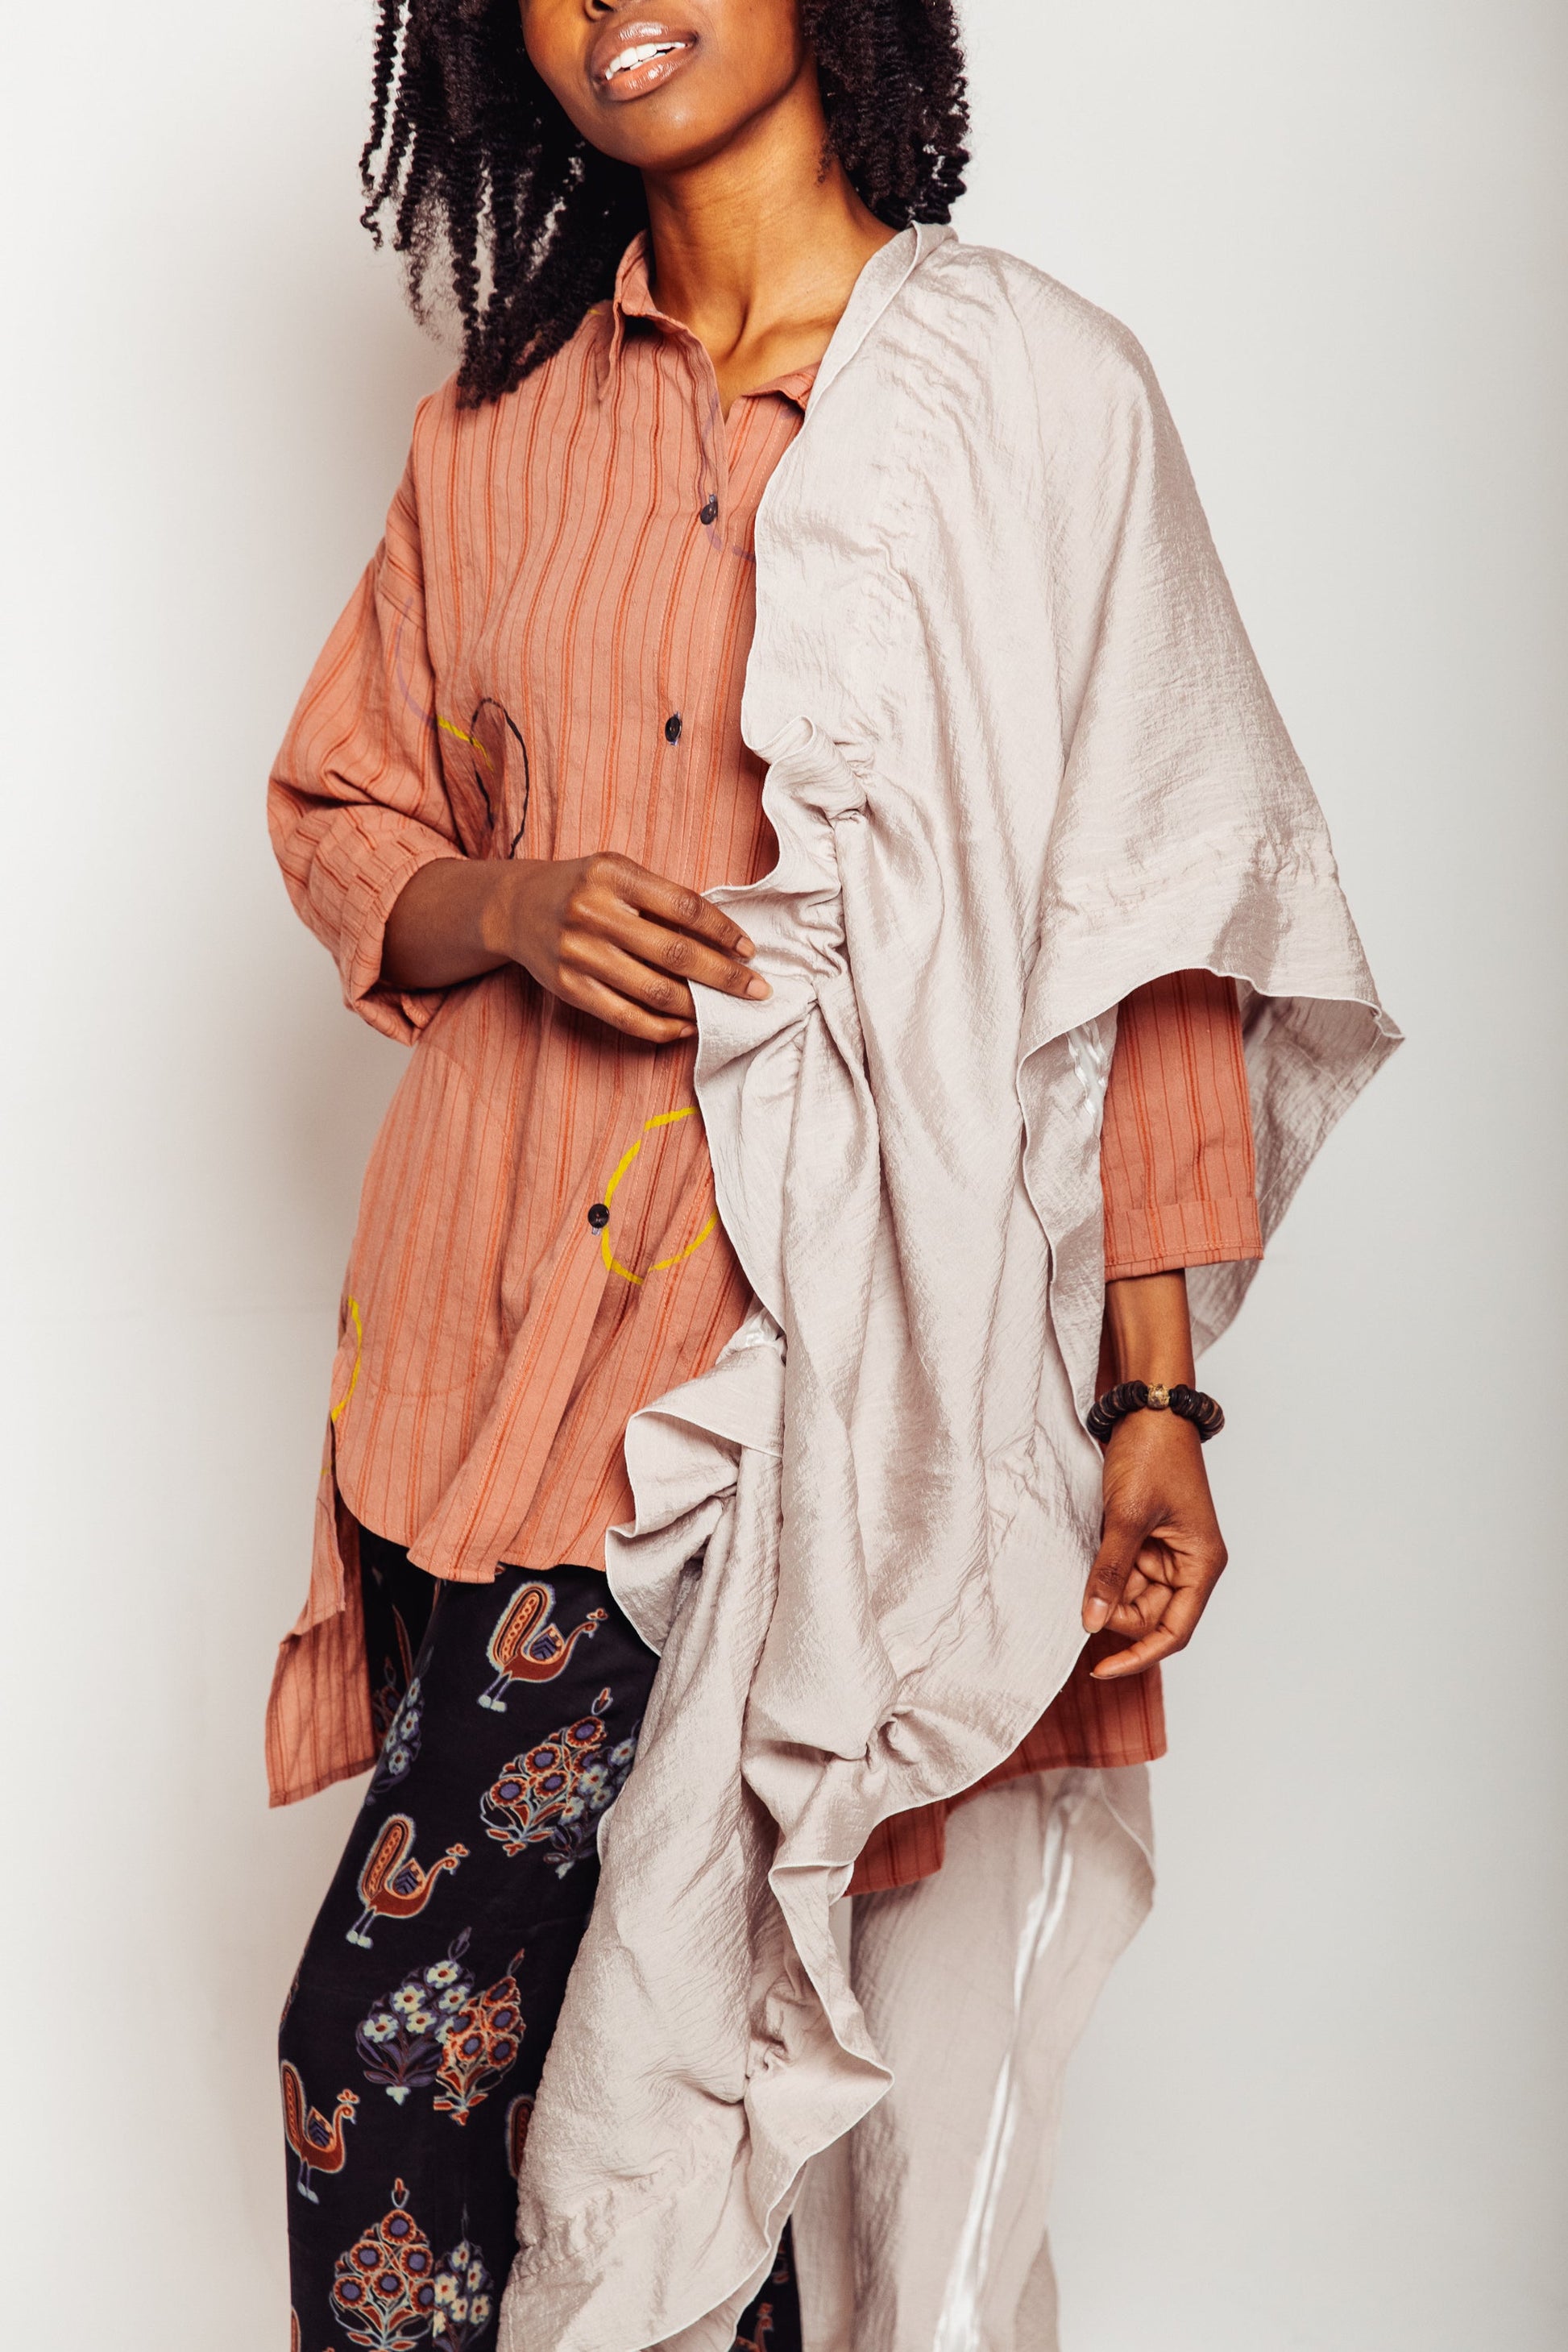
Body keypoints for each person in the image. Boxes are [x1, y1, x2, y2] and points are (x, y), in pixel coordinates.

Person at [267, 2, 1396, 2346]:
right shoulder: (494, 429)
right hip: (479, 1343)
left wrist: (1153, 1400)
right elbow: (347, 808)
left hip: (802, 1385)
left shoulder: (1041, 398)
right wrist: (510, 902)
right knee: (574, 2078)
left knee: (483, 2051)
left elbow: (1152, 926)